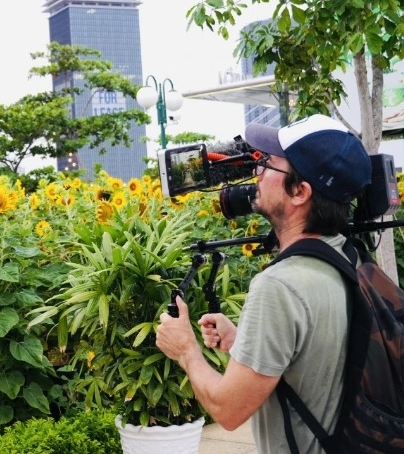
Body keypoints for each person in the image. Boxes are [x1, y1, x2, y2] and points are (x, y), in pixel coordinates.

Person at [155, 114, 372, 453]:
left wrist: (185, 349)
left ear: (299, 191)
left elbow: (228, 410)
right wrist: (244, 341)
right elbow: (322, 357)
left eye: (269, 163)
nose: (256, 171)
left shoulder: (279, 286)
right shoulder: (349, 255)